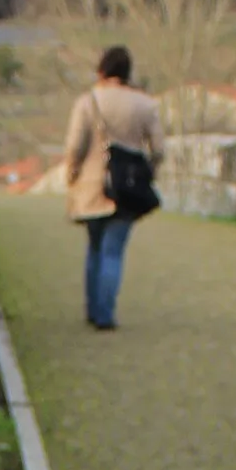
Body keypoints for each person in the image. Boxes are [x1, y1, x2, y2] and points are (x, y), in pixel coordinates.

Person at [63, 44, 165, 331]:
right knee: (113, 251)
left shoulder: (87, 102)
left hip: (93, 187)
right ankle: (106, 314)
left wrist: (72, 176)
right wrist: (147, 173)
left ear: (102, 70)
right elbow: (159, 149)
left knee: (94, 247)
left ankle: (93, 309)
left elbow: (75, 147)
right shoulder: (145, 104)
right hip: (128, 189)